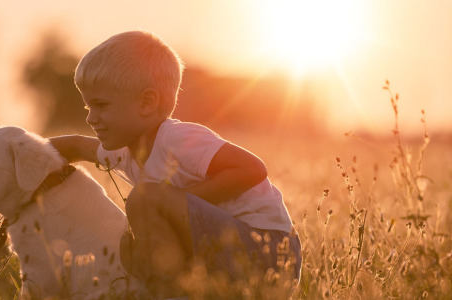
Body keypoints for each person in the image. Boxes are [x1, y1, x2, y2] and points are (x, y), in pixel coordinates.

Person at [49, 30, 301, 298]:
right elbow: (76, 145)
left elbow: (252, 169)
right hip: (228, 258)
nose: (91, 118)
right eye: (88, 108)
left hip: (269, 252)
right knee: (128, 246)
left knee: (145, 200)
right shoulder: (124, 150)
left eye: (100, 105)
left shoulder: (177, 139)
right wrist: (20, 154)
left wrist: (179, 200)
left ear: (147, 103)